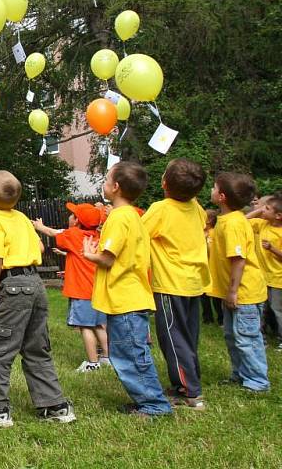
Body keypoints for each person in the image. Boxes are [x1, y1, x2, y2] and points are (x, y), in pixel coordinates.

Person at [0, 170, 75, 428]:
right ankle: (54, 405)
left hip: (14, 284)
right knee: (36, 347)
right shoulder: (20, 218)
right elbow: (40, 248)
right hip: (36, 284)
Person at [82, 161, 172, 417]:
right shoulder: (132, 214)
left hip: (126, 299)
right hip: (128, 297)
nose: (104, 183)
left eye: (107, 179)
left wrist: (90, 255)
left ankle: (155, 405)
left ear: (116, 187)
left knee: (132, 355)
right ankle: (146, 400)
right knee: (127, 353)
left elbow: (108, 258)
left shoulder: (119, 217)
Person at [141, 158, 209, 409]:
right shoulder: (196, 207)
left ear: (164, 183)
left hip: (171, 284)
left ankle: (191, 392)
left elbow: (139, 233)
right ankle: (184, 383)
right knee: (188, 336)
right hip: (193, 282)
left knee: (173, 336)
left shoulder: (161, 209)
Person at [208, 173, 270, 391]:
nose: (211, 190)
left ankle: (257, 381)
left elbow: (238, 261)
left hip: (244, 292)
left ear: (222, 196)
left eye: (214, 187)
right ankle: (240, 374)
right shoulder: (231, 219)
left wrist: (233, 291)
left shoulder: (233, 223)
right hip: (233, 292)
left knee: (246, 338)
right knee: (232, 336)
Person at [33, 202, 108, 372]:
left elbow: (54, 233)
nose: (70, 216)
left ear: (76, 221)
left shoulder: (74, 235)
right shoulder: (97, 235)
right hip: (97, 290)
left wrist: (40, 226)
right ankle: (107, 357)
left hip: (82, 291)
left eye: (73, 214)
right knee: (99, 325)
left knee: (85, 327)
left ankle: (92, 363)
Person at [246, 193, 282, 350]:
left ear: (278, 215)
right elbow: (244, 220)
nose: (262, 210)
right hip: (261, 277)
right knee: (262, 309)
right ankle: (262, 338)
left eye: (266, 208)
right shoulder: (262, 225)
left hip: (277, 278)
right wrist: (260, 211)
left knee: (277, 309)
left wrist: (273, 249)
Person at [202, 209, 224, 325]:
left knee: (216, 296)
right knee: (203, 295)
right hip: (203, 270)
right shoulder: (200, 232)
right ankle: (207, 318)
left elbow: (211, 250)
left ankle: (221, 318)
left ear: (209, 220)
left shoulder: (214, 233)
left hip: (213, 269)